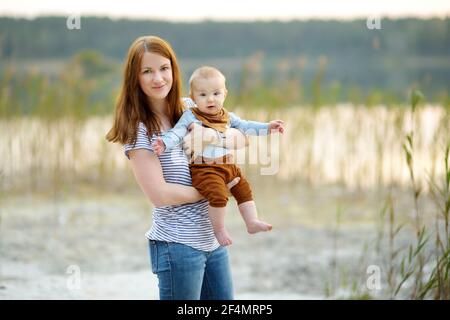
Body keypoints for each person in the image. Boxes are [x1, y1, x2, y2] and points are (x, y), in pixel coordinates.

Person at [106, 36, 248, 300]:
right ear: (134, 78)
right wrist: (214, 190)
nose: (158, 78)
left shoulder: (192, 107)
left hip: (213, 241)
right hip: (177, 246)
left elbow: (243, 138)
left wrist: (213, 137)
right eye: (147, 71)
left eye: (163, 68)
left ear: (173, 69)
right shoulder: (139, 130)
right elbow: (160, 195)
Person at [152, 66, 284, 246]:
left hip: (228, 164)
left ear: (224, 94)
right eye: (203, 95)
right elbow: (176, 133)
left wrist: (268, 127)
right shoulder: (190, 116)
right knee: (218, 195)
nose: (210, 99)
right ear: (193, 98)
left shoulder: (227, 116)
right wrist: (164, 143)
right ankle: (219, 229)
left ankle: (252, 222)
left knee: (243, 189)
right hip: (204, 168)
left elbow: (246, 127)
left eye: (216, 93)